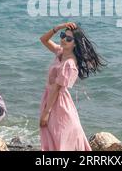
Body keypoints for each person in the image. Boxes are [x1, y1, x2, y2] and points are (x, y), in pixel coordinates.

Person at [39, 22, 106, 151]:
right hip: (50, 99)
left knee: (61, 139)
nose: (64, 39)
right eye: (63, 35)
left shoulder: (69, 63)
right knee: (53, 137)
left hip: (59, 104)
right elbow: (43, 39)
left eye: (69, 39)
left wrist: (46, 112)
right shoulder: (60, 52)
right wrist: (58, 27)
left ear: (75, 43)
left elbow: (57, 89)